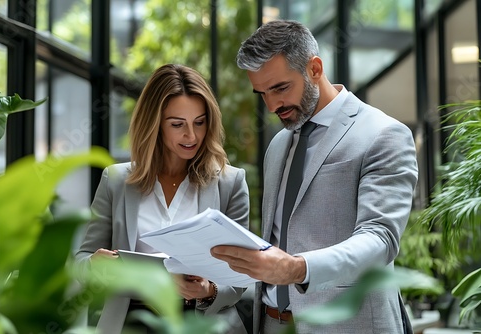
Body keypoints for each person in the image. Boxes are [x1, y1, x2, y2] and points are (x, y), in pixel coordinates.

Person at [211, 20, 418, 334]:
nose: (271, 105)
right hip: (271, 323)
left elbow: (379, 240)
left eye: (280, 88)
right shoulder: (278, 145)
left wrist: (297, 269)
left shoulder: (383, 134)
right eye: (262, 93)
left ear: (315, 68)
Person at [75, 64, 249, 334]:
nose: (191, 136)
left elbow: (242, 274)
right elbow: (80, 261)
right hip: (130, 322)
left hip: (202, 323)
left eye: (199, 122)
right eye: (178, 124)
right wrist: (94, 265)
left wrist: (209, 290)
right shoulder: (117, 181)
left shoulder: (230, 182)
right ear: (155, 124)